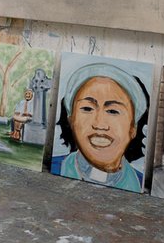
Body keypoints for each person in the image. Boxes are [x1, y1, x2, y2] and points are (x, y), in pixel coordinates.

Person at [50, 62, 148, 192]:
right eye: (87, 108)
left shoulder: (142, 185)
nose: (99, 124)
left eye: (113, 111)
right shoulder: (51, 168)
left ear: (133, 128)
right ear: (71, 120)